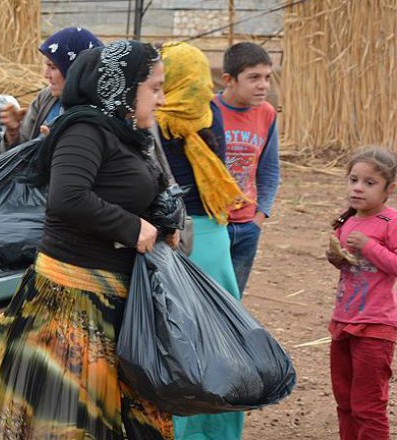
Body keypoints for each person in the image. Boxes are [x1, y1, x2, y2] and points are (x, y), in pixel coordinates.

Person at [0, 40, 175, 439]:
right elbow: (68, 198)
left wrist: (162, 221)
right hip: (73, 304)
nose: (162, 98)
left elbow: (122, 190)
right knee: (64, 415)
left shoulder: (125, 133)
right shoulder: (84, 129)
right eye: (155, 87)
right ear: (122, 87)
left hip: (112, 300)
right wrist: (132, 228)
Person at [157, 42, 248, 440]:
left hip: (177, 239)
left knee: (176, 341)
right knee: (222, 338)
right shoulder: (209, 112)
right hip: (214, 235)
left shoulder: (154, 121)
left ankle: (181, 430)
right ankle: (220, 430)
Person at [326, 147, 397, 440]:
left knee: (368, 406)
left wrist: (369, 246)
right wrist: (337, 258)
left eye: (369, 183)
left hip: (376, 327)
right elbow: (352, 269)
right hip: (343, 321)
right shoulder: (349, 221)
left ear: (389, 189)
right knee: (345, 401)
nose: (358, 188)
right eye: (353, 180)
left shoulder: (390, 222)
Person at [214, 41, 280, 296]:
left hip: (247, 226)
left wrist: (260, 216)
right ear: (229, 79)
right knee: (202, 299)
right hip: (213, 224)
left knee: (233, 300)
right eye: (254, 77)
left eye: (267, 77)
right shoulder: (208, 112)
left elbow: (270, 169)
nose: (263, 85)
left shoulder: (267, 113)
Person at [0, 27, 102, 151]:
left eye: (53, 67)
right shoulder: (46, 99)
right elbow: (17, 157)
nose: (46, 75)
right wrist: (13, 132)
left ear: (75, 70)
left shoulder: (98, 113)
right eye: (47, 66)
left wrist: (52, 149)